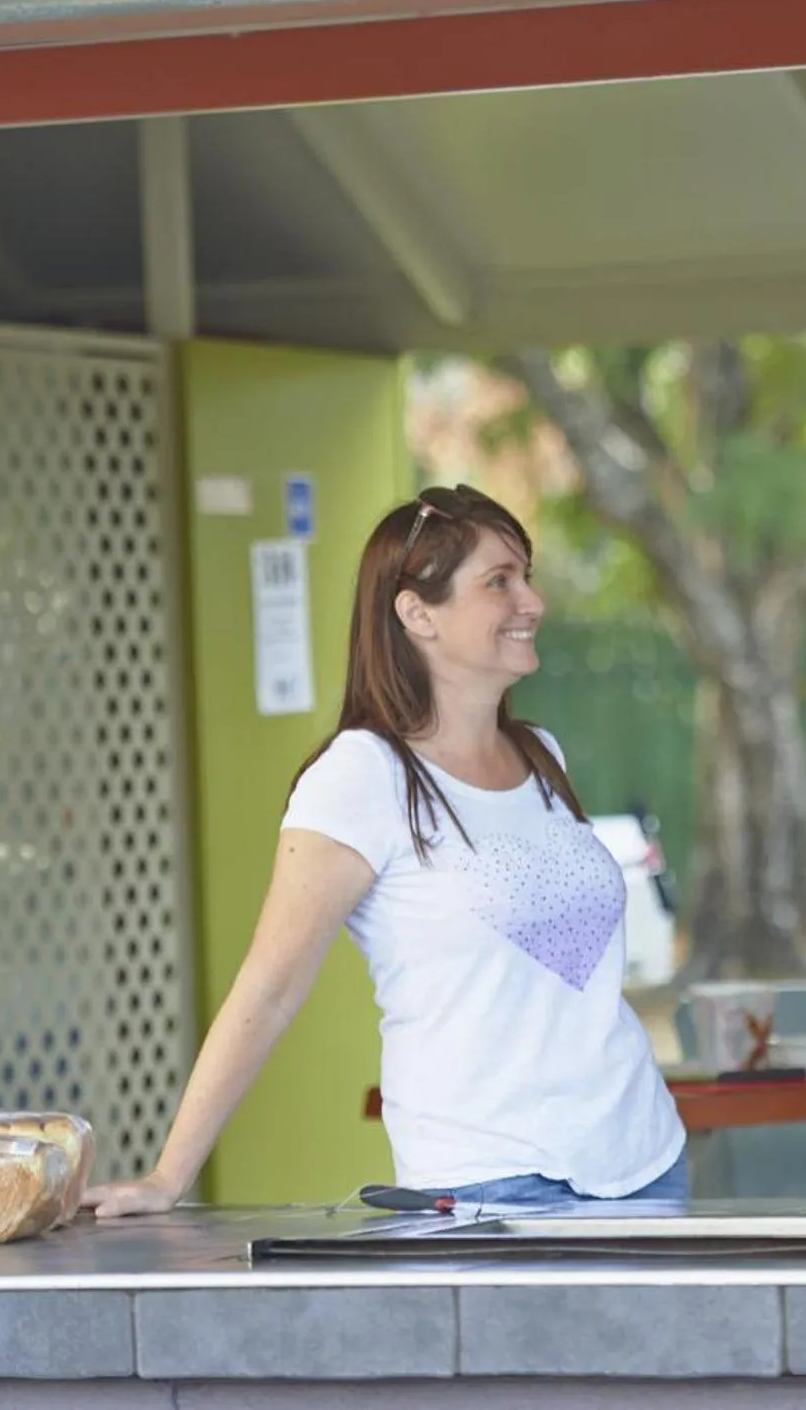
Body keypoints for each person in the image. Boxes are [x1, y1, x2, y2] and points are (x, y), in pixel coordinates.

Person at [87, 485, 687, 1217]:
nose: (531, 602)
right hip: (487, 1185)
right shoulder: (362, 776)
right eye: (499, 581)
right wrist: (167, 1176)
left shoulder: (541, 756)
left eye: (526, 576)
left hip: (646, 1163)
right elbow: (269, 991)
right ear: (416, 613)